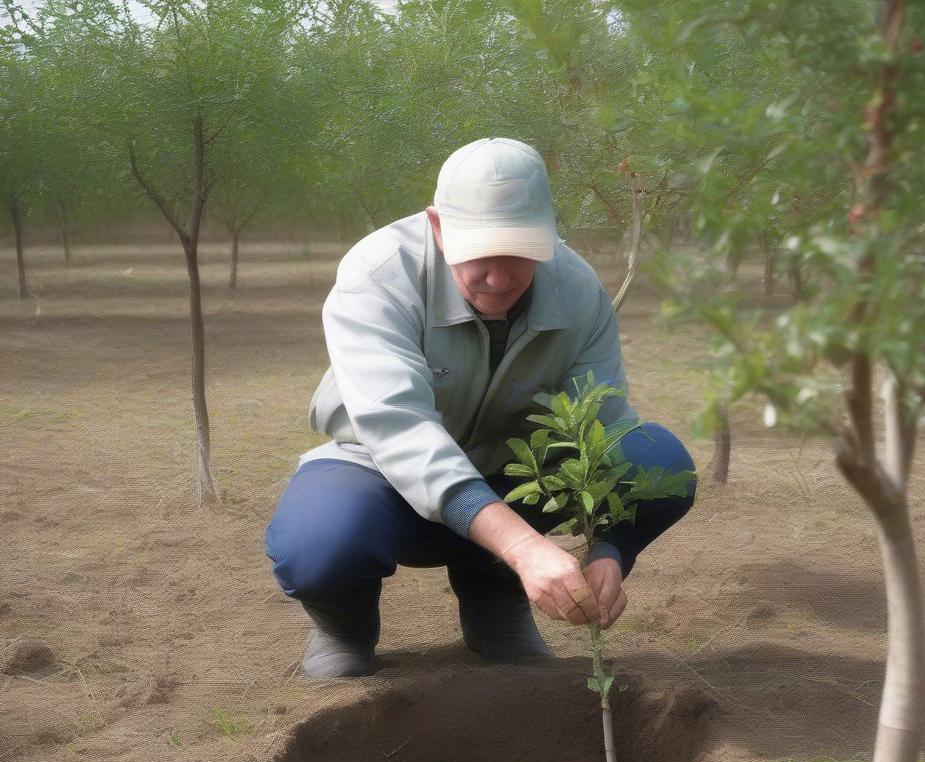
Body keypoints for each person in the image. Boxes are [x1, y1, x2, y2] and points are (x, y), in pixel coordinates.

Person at [264, 138, 696, 680]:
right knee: (319, 540)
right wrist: (523, 548)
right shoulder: (378, 275)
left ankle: (496, 601)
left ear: (549, 232)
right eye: (479, 252)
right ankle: (343, 627)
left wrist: (609, 550)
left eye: (519, 251)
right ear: (438, 227)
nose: (499, 277)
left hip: (516, 471)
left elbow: (600, 426)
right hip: (380, 472)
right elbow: (400, 429)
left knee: (658, 460)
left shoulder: (578, 289)